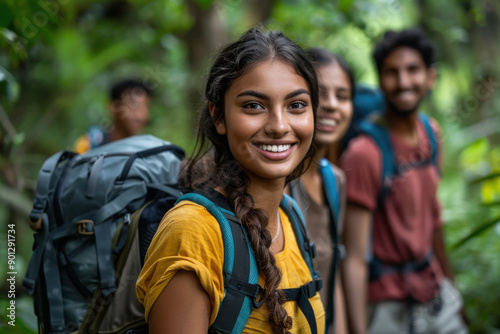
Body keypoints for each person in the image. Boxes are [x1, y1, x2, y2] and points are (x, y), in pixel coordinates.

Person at [136, 27, 325, 333]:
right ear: (219, 117)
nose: (279, 126)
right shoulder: (194, 231)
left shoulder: (290, 218)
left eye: (296, 105)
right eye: (254, 105)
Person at [339, 28, 468, 333]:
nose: (403, 82)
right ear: (380, 80)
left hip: (435, 292)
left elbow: (433, 220)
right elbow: (354, 258)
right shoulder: (364, 154)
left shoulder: (431, 134)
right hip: (387, 305)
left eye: (413, 70)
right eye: (392, 72)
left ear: (430, 77)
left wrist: (453, 290)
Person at [288, 47, 354, 334]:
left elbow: (333, 272)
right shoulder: (280, 180)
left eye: (342, 96)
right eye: (320, 94)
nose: (331, 105)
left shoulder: (334, 180)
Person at [73, 78, 152, 153]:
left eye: (145, 107)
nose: (140, 116)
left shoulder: (144, 149)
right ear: (115, 106)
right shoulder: (92, 142)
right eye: (133, 106)